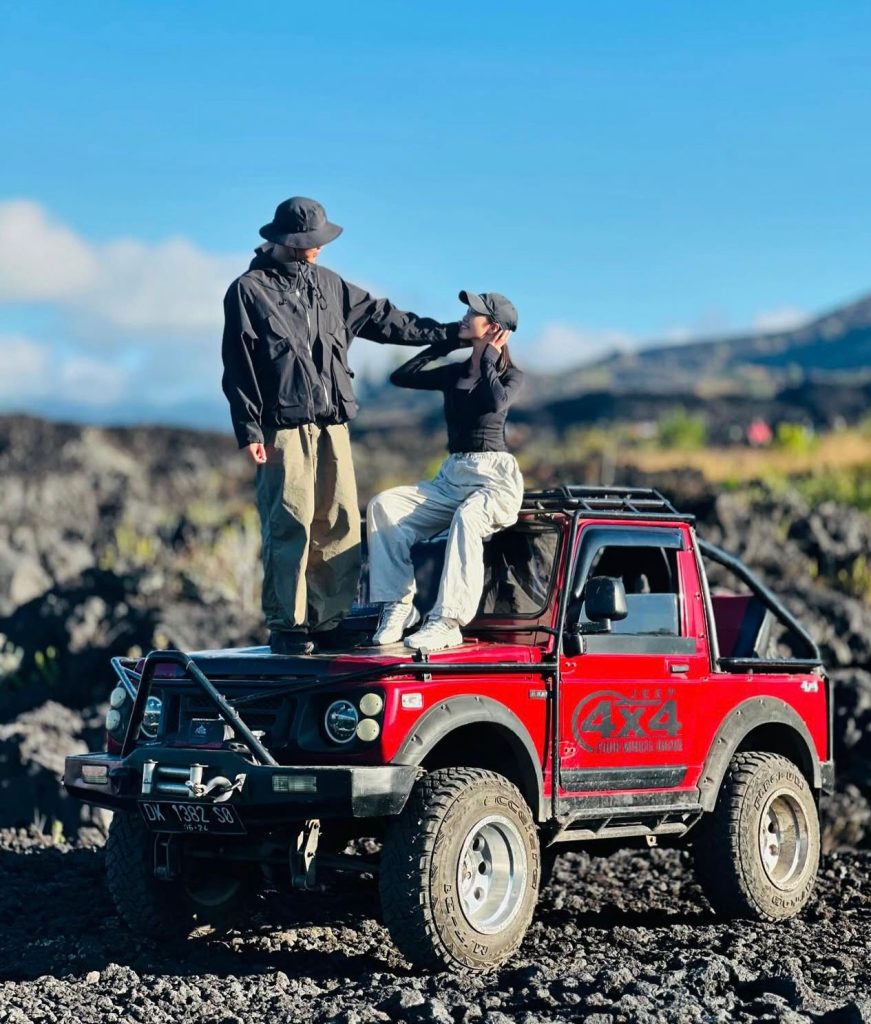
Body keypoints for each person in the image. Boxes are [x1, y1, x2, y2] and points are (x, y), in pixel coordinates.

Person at [222, 197, 458, 654]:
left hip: (334, 426)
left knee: (341, 522)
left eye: (318, 242)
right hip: (281, 428)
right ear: (283, 241)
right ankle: (288, 626)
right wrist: (249, 429)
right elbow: (238, 365)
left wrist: (449, 334)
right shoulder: (248, 290)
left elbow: (387, 319)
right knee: (289, 521)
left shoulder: (331, 286)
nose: (316, 250)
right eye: (308, 244)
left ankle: (327, 619)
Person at [367, 290, 524, 651]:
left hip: (494, 480)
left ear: (494, 328)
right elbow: (401, 376)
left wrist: (490, 357)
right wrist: (446, 343)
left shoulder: (512, 376)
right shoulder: (453, 374)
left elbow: (495, 400)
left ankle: (447, 621)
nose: (466, 316)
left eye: (474, 314)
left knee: (469, 518)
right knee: (384, 505)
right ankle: (399, 605)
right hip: (453, 475)